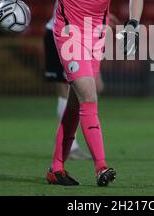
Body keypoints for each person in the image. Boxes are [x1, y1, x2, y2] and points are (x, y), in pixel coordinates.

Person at [0, 0, 143, 186]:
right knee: (90, 95)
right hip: (67, 34)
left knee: (76, 103)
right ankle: (101, 167)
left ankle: (56, 168)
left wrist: (133, 25)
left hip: (96, 35)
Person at [44, 12, 121, 161]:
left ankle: (65, 143)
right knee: (65, 90)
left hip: (84, 32)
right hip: (62, 32)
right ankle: (71, 148)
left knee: (95, 88)